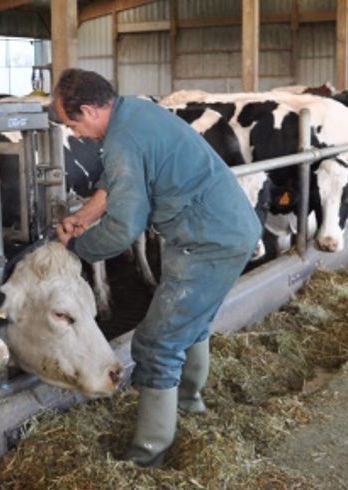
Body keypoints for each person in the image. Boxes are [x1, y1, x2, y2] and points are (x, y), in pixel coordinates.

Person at [53, 69, 263, 467]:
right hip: (224, 229)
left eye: (72, 123)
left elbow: (125, 226)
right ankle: (188, 405)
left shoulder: (121, 141)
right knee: (190, 324)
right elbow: (120, 182)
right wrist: (86, 213)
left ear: (90, 110)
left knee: (155, 343)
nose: (75, 134)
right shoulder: (135, 112)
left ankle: (148, 452)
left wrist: (80, 247)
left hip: (208, 241)